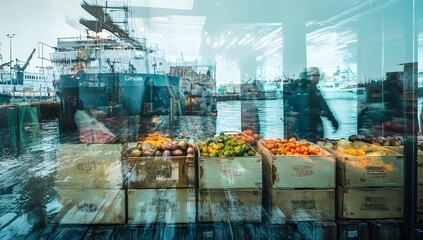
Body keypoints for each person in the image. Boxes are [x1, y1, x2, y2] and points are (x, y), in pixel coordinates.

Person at [285, 67, 339, 142]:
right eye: (315, 75)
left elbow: (324, 107)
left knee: (316, 148)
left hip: (313, 126)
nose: (317, 78)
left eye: (318, 75)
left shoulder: (314, 90)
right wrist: (319, 112)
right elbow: (303, 110)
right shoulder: (303, 92)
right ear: (309, 77)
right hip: (306, 127)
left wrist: (333, 120)